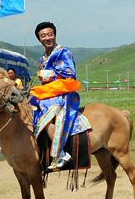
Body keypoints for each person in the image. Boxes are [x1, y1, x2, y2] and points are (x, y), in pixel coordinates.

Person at [29, 22, 91, 170]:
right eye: (43, 36)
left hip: (64, 92)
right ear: (39, 39)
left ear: (54, 35)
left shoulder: (64, 52)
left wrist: (50, 75)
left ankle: (60, 153)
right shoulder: (42, 58)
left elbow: (70, 74)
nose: (47, 38)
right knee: (29, 101)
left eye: (49, 34)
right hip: (50, 91)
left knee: (45, 110)